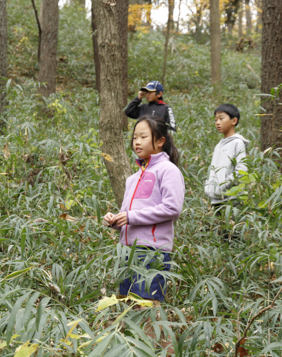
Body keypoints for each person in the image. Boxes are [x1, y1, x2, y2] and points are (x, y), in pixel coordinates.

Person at [103, 115, 185, 303]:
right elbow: (127, 215)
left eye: (143, 137)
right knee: (126, 304)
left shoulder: (168, 170)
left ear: (160, 141)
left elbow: (172, 208)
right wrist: (115, 220)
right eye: (134, 137)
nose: (137, 142)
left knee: (147, 307)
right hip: (127, 251)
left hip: (152, 252)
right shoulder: (132, 178)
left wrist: (132, 217)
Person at [204, 104, 249, 211]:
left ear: (234, 121)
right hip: (215, 199)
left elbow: (242, 170)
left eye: (221, 118)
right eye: (215, 120)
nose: (217, 122)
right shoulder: (218, 145)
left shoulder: (238, 143)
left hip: (230, 200)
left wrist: (224, 186)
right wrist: (209, 187)